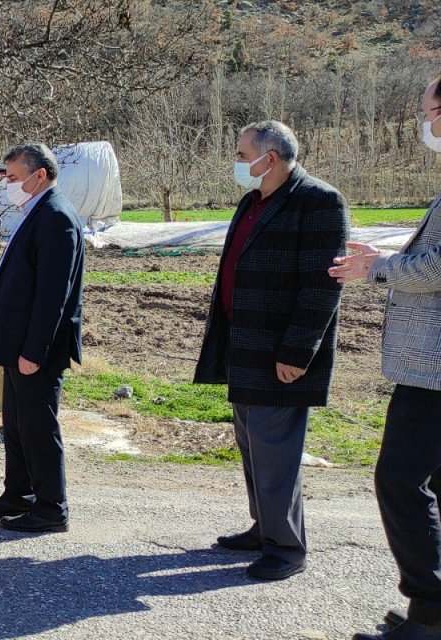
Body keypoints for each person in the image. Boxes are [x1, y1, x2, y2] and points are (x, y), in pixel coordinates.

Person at [193, 120, 349, 581]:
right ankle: (264, 528)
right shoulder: (254, 200)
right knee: (252, 446)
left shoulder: (319, 202)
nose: (238, 163)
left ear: (271, 158)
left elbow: (321, 288)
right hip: (244, 343)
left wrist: (298, 352)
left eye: (243, 156)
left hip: (281, 353)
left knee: (276, 452)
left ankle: (285, 548)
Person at [334, 76, 441, 640]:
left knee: (399, 481)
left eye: (428, 113)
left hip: (434, 371)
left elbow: (436, 269)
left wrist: (375, 268)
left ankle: (429, 613)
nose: (425, 125)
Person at [0, 143, 84, 534]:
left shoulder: (56, 217)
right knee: (17, 424)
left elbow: (53, 294)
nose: (8, 184)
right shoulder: (34, 212)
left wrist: (35, 351)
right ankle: (19, 493)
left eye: (14, 177)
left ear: (40, 175)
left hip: (37, 350)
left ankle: (52, 507)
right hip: (18, 347)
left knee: (38, 427)